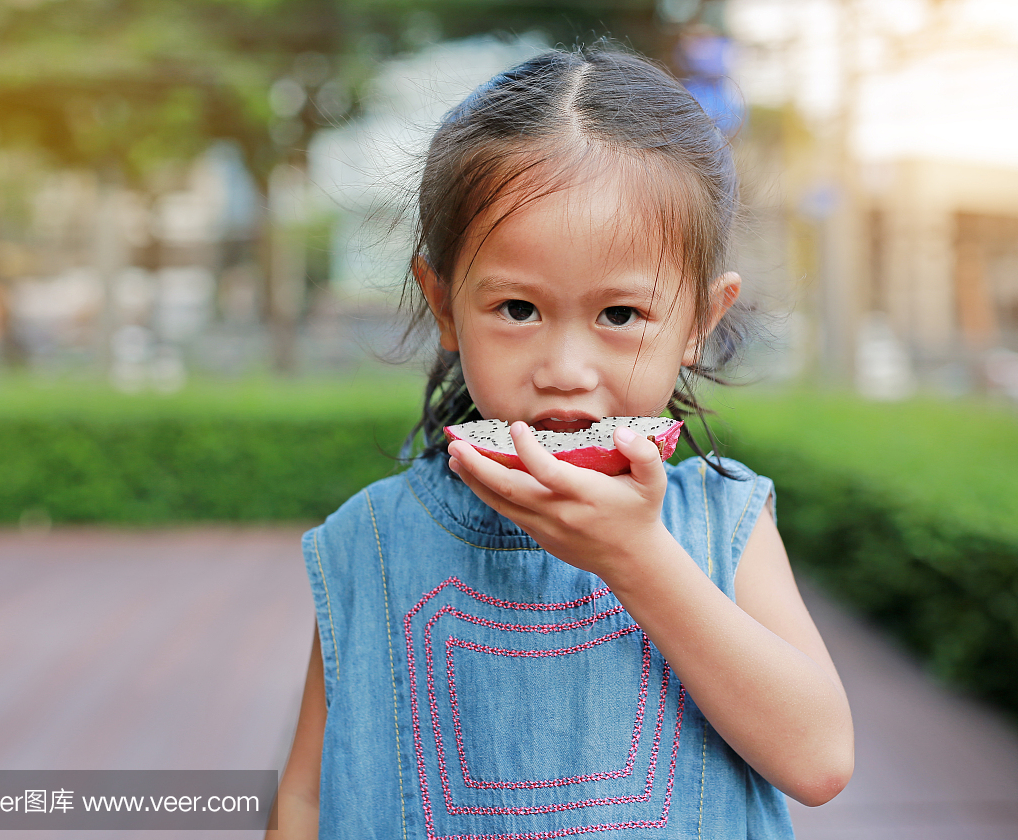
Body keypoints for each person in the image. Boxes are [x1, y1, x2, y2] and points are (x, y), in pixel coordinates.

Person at [269, 46, 854, 839]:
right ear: (443, 305)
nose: (565, 371)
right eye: (517, 309)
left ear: (700, 323)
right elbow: (306, 796)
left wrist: (636, 556)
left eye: (620, 316)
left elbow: (819, 761)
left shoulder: (724, 522)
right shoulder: (367, 544)